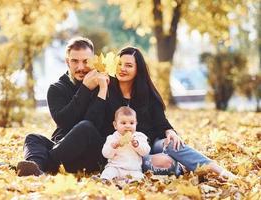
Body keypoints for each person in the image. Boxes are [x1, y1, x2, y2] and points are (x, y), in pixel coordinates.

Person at [90, 46, 235, 179]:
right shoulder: (107, 90)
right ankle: (174, 167)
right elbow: (95, 119)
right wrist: (102, 89)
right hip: (120, 154)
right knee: (166, 163)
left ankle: (219, 170)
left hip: (149, 146)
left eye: (129, 65)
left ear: (137, 69)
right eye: (119, 64)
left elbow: (161, 122)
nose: (122, 68)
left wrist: (169, 131)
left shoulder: (147, 93)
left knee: (173, 143)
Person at [16, 37, 109, 176]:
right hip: (61, 150)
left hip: (91, 154)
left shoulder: (104, 85)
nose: (81, 67)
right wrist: (85, 89)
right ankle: (35, 169)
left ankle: (47, 164)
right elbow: (65, 122)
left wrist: (94, 88)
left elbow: (94, 124)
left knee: (85, 127)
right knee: (32, 138)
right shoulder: (57, 89)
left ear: (93, 61)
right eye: (75, 61)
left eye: (86, 61)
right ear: (67, 62)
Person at [100, 106, 151, 181]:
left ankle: (131, 182)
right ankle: (105, 180)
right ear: (115, 125)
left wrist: (137, 145)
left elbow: (146, 151)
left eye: (131, 123)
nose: (128, 126)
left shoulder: (139, 136)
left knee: (139, 177)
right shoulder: (112, 138)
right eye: (123, 123)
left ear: (136, 124)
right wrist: (113, 147)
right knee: (108, 172)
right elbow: (105, 154)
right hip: (116, 167)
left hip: (133, 170)